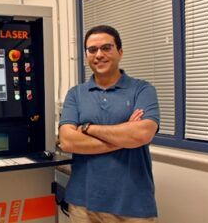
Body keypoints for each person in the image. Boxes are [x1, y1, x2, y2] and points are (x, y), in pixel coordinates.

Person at [58, 25, 160, 223]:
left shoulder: (142, 89)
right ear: (87, 55)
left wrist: (88, 128)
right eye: (92, 50)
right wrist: (125, 135)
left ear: (120, 52)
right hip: (82, 203)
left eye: (106, 48)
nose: (99, 55)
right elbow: (68, 141)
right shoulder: (76, 94)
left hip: (132, 205)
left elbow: (141, 134)